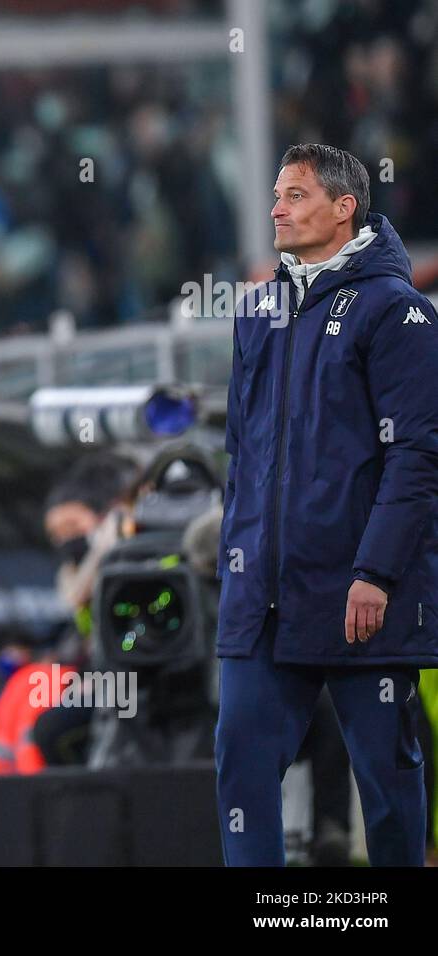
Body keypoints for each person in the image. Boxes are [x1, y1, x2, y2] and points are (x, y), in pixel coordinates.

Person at [216, 143, 438, 866]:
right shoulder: (256, 314)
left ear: (344, 209)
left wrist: (376, 572)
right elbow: (241, 457)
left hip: (359, 594)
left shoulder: (398, 312)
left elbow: (418, 455)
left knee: (388, 782)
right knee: (241, 766)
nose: (276, 208)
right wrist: (237, 561)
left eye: (295, 196)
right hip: (265, 596)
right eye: (275, 194)